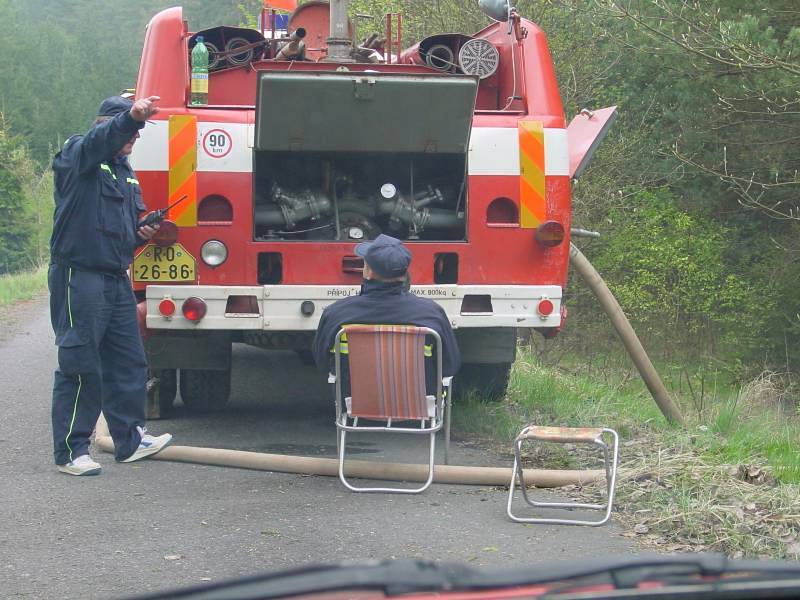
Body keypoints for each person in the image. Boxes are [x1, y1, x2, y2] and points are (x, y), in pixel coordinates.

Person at [49, 95, 172, 476]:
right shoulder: (79, 155)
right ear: (107, 125)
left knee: (128, 361)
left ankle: (130, 439)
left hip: (116, 277)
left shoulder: (124, 171)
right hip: (79, 275)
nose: (135, 138)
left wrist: (142, 231)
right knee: (81, 360)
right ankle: (71, 451)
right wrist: (132, 117)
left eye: (138, 131)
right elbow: (97, 142)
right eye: (130, 130)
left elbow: (121, 232)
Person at [313, 234, 460, 391]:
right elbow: (450, 365)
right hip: (418, 408)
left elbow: (321, 362)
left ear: (368, 272)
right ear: (404, 274)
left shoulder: (337, 314)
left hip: (355, 404)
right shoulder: (431, 314)